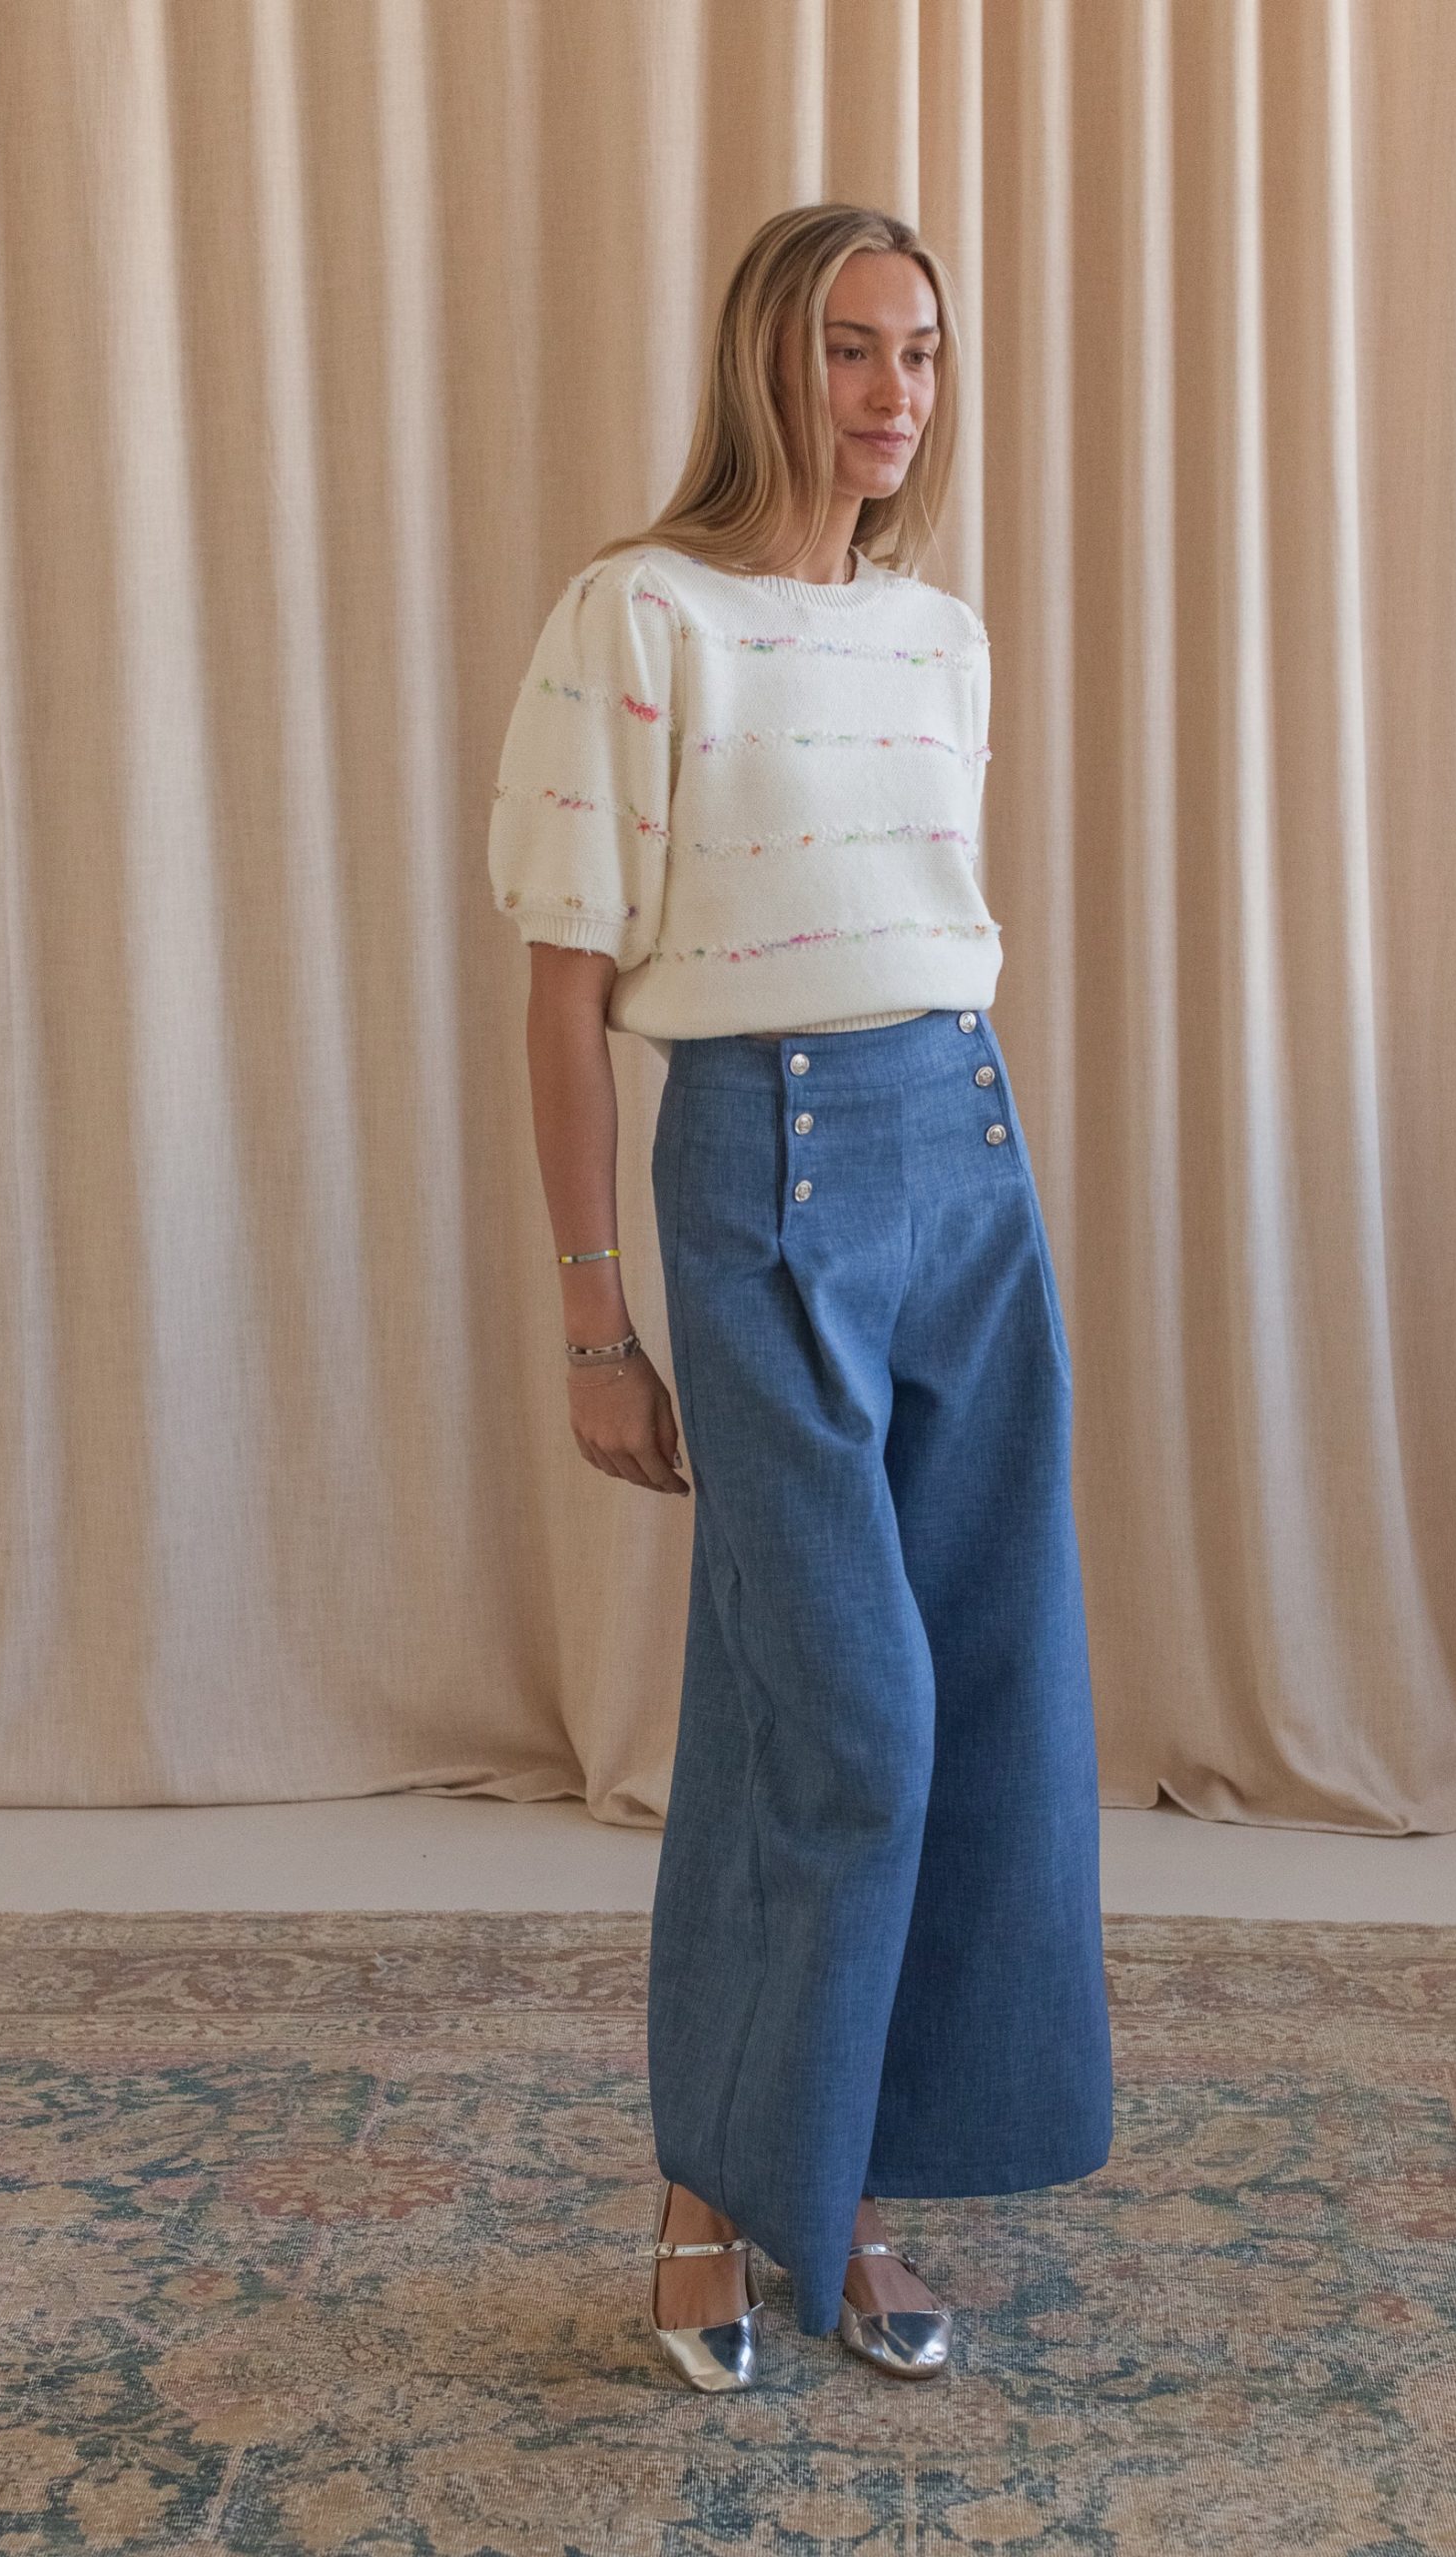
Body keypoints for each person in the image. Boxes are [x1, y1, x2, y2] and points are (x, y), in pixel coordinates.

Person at [486, 202, 1112, 2388]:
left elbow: (919, 916)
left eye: (921, 353)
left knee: (976, 1702)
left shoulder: (939, 638)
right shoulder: (639, 615)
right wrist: (596, 1321)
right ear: (770, 361)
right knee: (849, 1715)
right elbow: (564, 997)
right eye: (851, 348)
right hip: (764, 1170)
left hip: (965, 1153)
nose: (892, 394)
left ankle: (829, 2192)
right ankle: (708, 2184)